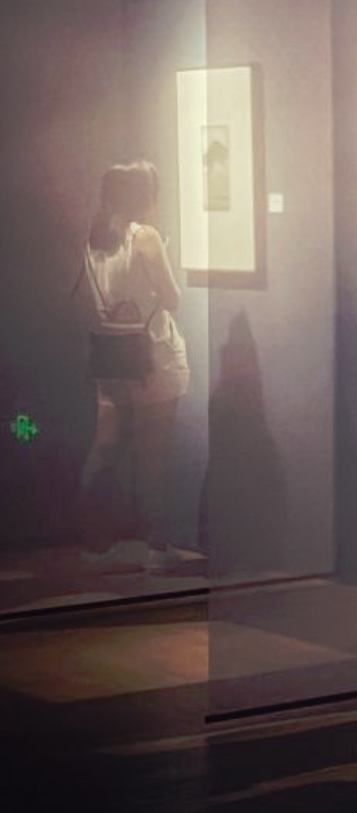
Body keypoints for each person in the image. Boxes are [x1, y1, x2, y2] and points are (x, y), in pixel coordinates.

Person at [78, 160, 190, 574]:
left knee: (103, 449)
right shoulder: (145, 238)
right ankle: (157, 549)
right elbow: (172, 298)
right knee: (153, 455)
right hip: (151, 357)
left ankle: (94, 546)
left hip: (111, 355)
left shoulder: (95, 239)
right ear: (145, 195)